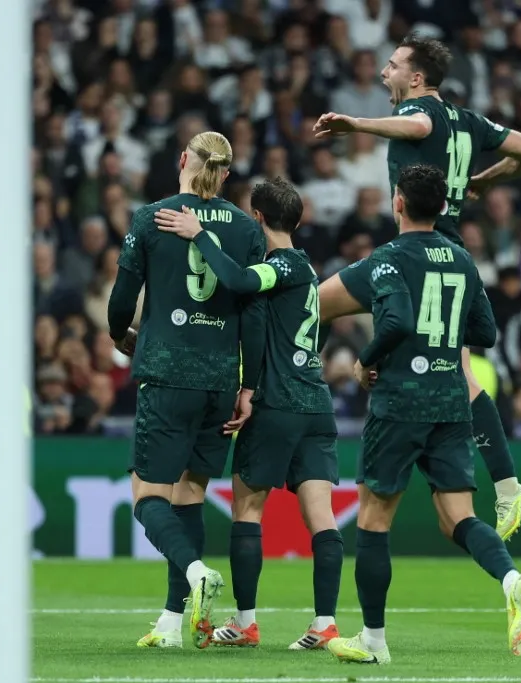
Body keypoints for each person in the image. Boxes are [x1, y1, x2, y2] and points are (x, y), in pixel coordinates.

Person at [312, 34, 521, 541]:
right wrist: (486, 180)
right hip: (453, 254)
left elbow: (417, 123)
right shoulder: (469, 120)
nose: (383, 73)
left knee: (314, 304)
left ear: (417, 78)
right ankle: (508, 487)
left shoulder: (423, 113)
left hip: (416, 251)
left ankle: (293, 393)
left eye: (393, 66)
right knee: (461, 374)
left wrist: (355, 124)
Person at [325, 165, 521, 665]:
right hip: (449, 401)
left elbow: (378, 317)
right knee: (457, 518)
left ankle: (373, 642)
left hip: (399, 401)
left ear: (398, 202)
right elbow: (483, 331)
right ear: (442, 207)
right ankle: (512, 579)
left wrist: (365, 359)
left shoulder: (387, 259)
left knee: (374, 522)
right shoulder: (463, 260)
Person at [154, 177, 343, 650]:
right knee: (321, 517)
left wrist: (199, 233)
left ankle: (245, 622)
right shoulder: (309, 268)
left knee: (247, 509)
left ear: (257, 218)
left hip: (279, 404)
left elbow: (239, 280)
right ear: (297, 219)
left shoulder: (281, 265)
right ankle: (324, 623)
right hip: (317, 404)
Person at [107, 131, 267, 650]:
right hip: (222, 378)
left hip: (168, 372)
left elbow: (122, 298)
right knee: (190, 495)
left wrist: (120, 336)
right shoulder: (245, 228)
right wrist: (249, 385)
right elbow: (253, 310)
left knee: (147, 496)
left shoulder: (152, 217)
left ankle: (197, 571)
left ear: (183, 160)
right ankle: (174, 623)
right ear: (225, 173)